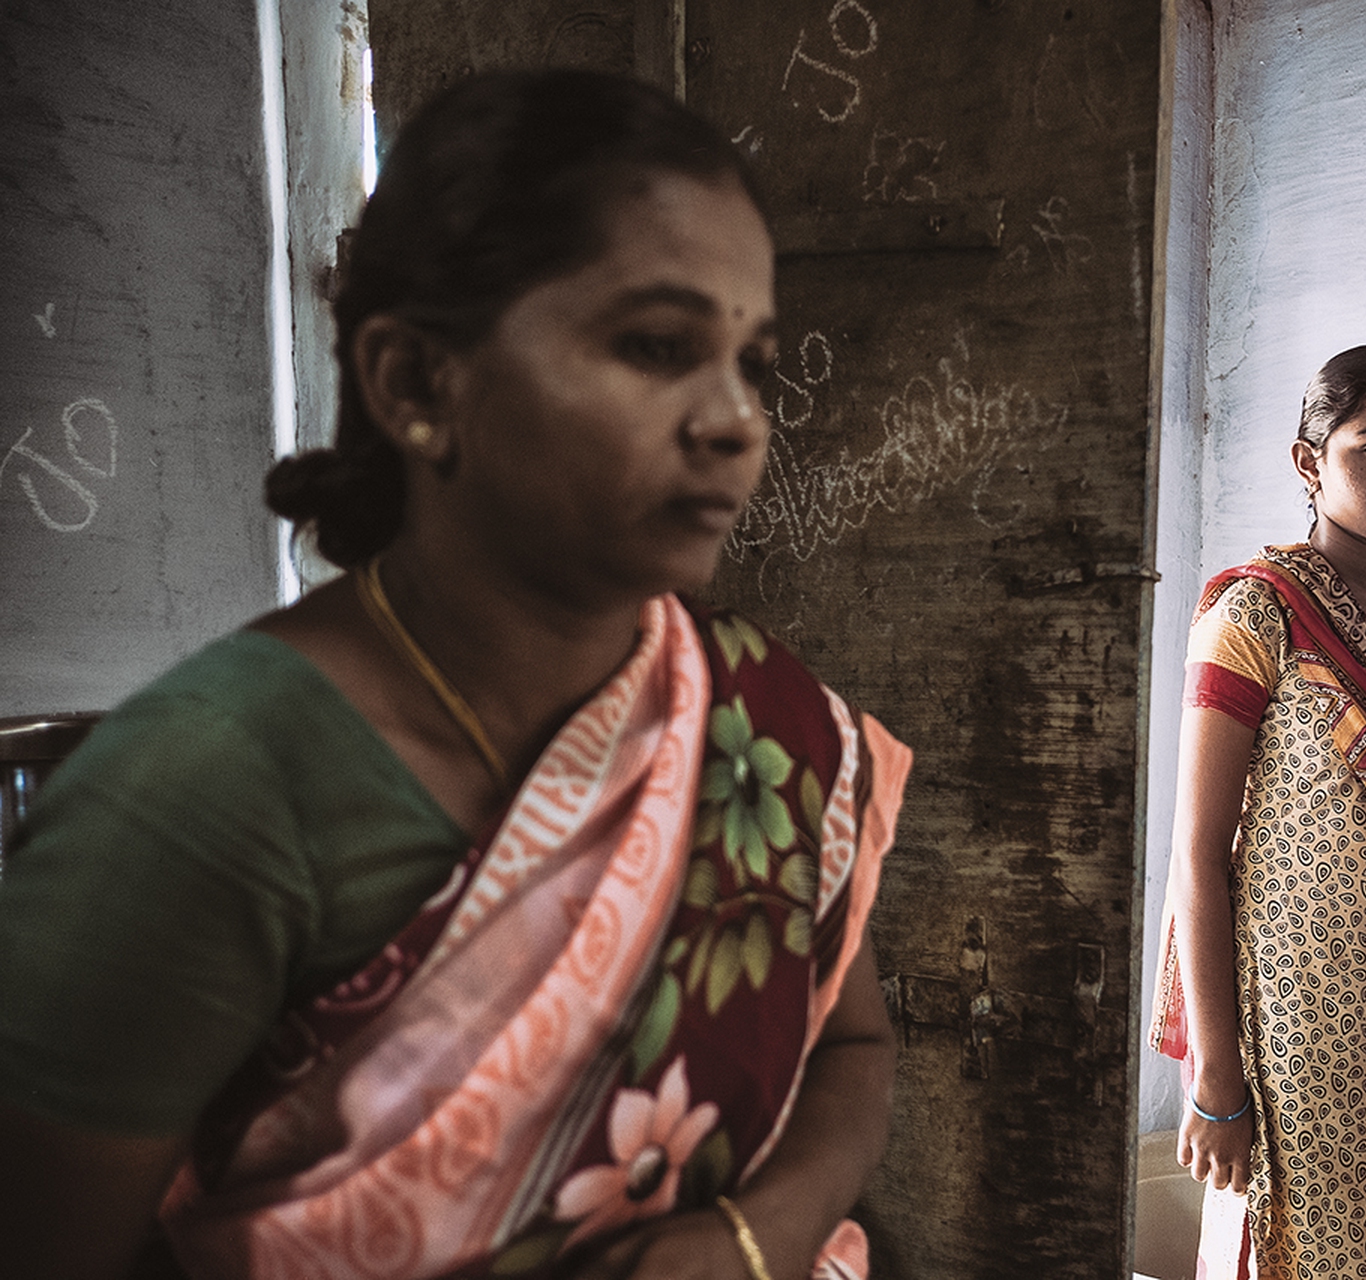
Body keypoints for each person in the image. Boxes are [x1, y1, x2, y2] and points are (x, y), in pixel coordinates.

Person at [0, 69, 909, 1280]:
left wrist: (750, 1238)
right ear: (418, 384)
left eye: (753, 361)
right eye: (657, 346)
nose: (737, 419)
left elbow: (853, 1048)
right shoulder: (202, 793)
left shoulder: (748, 717)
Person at [1150, 344, 1366, 1280]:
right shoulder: (1254, 614)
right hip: (1299, 1029)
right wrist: (1217, 1078)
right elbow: (1198, 857)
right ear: (1310, 461)